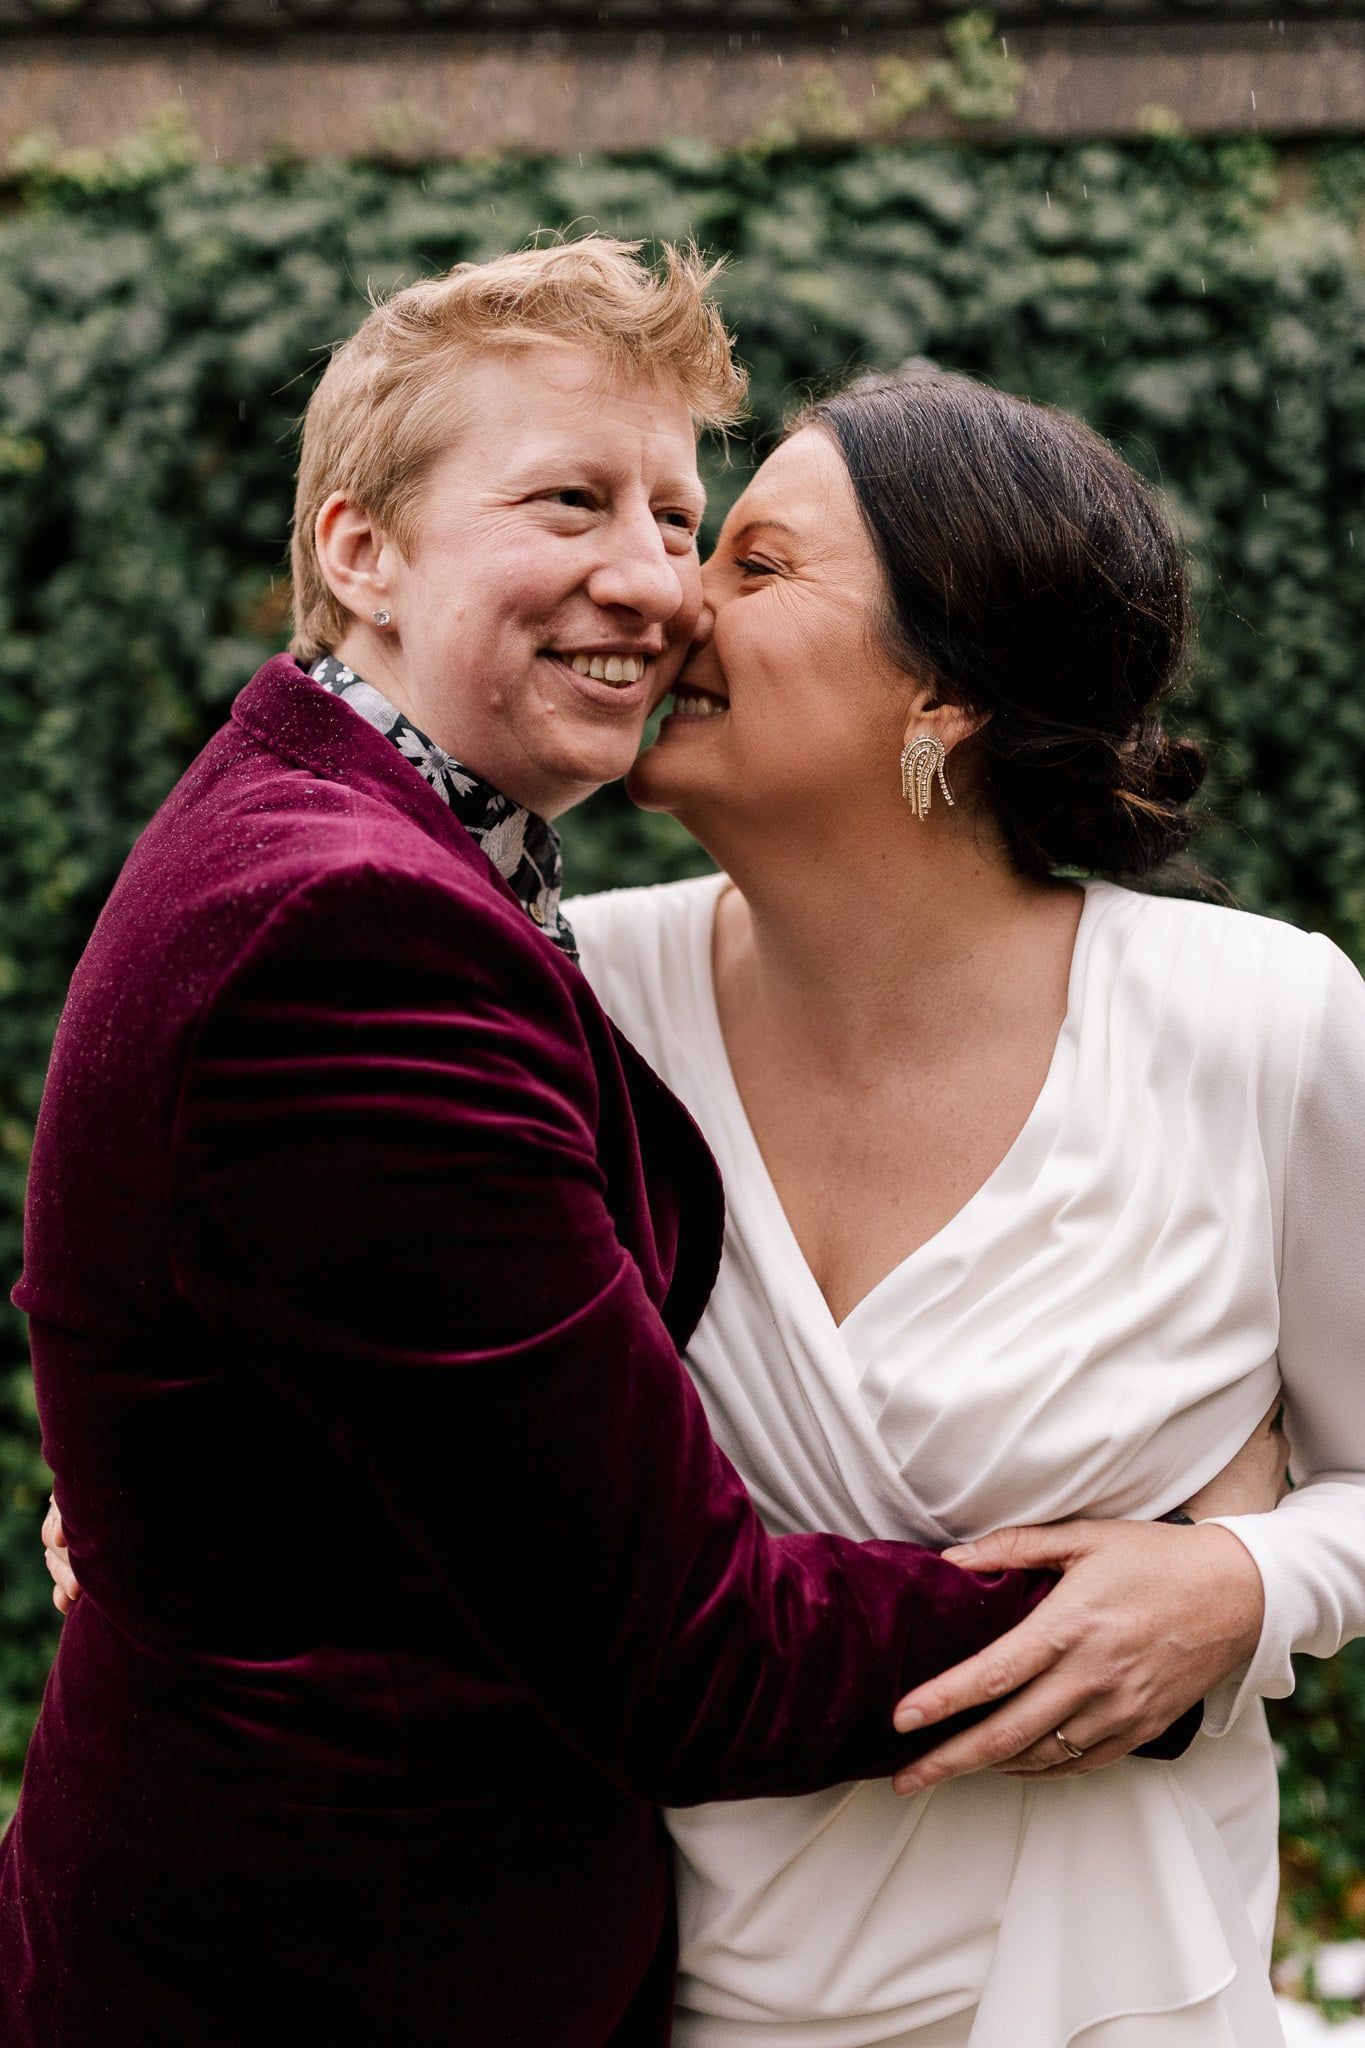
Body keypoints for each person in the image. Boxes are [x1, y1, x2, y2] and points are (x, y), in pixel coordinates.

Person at [19, 245, 1275, 2044]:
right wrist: (1141, 1621)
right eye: (567, 502)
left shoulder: (410, 871)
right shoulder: (355, 925)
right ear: (358, 550)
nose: (652, 583)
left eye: (681, 518)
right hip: (347, 1976)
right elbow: (683, 1650)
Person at [554, 368, 1365, 2045]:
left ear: (943, 690)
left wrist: (1246, 1582)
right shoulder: (573, 999)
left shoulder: (1257, 1022)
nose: (665, 597)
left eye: (756, 565)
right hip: (673, 1979)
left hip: (1105, 1994)